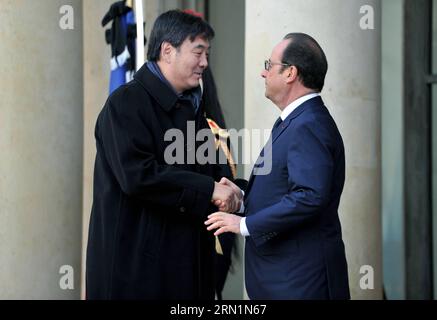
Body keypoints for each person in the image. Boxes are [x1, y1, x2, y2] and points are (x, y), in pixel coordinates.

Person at [86, 10, 241, 300]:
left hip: (186, 274)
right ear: (167, 50)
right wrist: (210, 189)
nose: (205, 63)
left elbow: (209, 176)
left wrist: (238, 192)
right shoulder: (125, 103)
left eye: (207, 53)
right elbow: (138, 177)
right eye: (198, 52)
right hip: (136, 278)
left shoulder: (193, 109)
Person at [205, 33, 350, 299]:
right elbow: (286, 190)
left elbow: (309, 196)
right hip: (287, 278)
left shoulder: (308, 124)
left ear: (290, 73)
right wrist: (242, 200)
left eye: (269, 65)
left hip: (301, 282)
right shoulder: (295, 120)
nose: (263, 72)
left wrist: (244, 224)